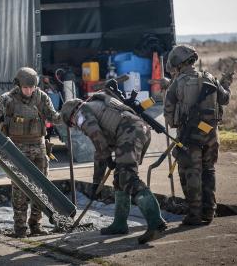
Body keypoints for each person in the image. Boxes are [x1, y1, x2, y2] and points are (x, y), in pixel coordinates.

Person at [60, 83, 167, 244]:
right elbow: (100, 150)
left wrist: (108, 158)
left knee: (128, 177)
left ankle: (156, 222)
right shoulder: (96, 106)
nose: (76, 126)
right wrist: (97, 182)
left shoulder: (81, 113)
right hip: (137, 130)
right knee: (120, 178)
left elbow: (97, 138)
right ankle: (119, 224)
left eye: (72, 124)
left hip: (129, 132)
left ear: (71, 116)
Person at [0, 67, 61, 237]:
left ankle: (36, 225)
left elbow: (53, 116)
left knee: (41, 188)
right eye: (25, 87)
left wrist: (67, 116)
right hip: (17, 148)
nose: (29, 90)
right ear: (18, 85)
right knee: (20, 189)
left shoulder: (41, 97)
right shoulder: (9, 99)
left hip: (39, 147)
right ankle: (20, 228)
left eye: (31, 87)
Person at [163, 44, 232, 225]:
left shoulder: (176, 84)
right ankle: (209, 212)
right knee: (208, 170)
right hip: (211, 134)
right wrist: (226, 83)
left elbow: (170, 118)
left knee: (190, 172)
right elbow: (225, 99)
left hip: (189, 138)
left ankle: (194, 215)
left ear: (176, 63)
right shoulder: (210, 78)